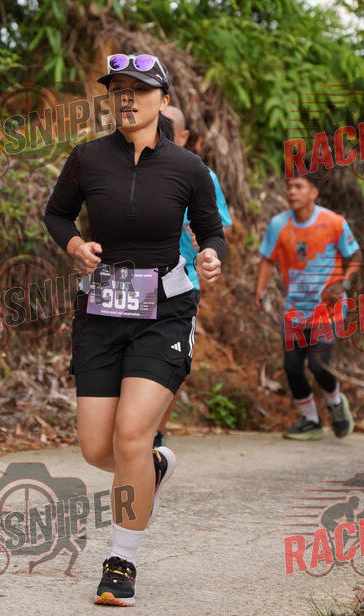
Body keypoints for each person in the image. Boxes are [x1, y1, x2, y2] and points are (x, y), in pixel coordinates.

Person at [44, 52, 226, 606]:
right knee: (97, 447)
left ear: (163, 101)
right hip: (101, 311)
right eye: (118, 90)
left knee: (130, 435)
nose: (127, 99)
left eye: (140, 90)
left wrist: (211, 256)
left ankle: (121, 561)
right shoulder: (87, 158)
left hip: (165, 311)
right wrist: (76, 245)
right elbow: (57, 214)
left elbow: (211, 231)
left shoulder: (188, 168)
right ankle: (153, 468)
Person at [255, 167, 361, 440]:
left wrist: (343, 285)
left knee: (317, 365)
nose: (291, 191)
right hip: (295, 310)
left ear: (314, 192)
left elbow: (356, 256)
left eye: (298, 186)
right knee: (292, 366)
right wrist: (260, 290)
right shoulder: (279, 225)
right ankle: (311, 420)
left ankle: (335, 403)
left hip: (328, 311)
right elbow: (268, 259)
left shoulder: (334, 222)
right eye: (289, 186)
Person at [153, 105, 232, 448]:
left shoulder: (202, 175)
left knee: (172, 361)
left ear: (184, 136)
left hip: (183, 282)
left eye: (167, 127)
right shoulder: (135, 167)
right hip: (134, 282)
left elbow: (220, 229)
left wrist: (208, 247)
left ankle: (154, 433)